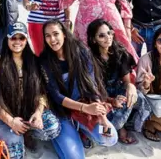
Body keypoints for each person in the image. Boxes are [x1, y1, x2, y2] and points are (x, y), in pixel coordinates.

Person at [40, 19, 118, 159]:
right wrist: (84, 108)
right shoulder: (45, 59)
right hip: (61, 112)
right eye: (48, 35)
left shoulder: (81, 51)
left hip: (83, 107)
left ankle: (81, 128)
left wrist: (102, 116)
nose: (52, 39)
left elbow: (91, 84)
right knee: (74, 157)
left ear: (64, 33)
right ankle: (63, 134)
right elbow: (56, 96)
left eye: (55, 34)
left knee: (109, 137)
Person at [0, 22, 61, 158]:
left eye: (21, 38)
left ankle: (27, 133)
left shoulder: (34, 62)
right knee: (15, 150)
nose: (17, 42)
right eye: (13, 38)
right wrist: (10, 121)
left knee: (52, 128)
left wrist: (38, 112)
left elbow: (42, 92)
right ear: (7, 39)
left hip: (28, 112)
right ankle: (13, 134)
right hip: (2, 115)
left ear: (26, 40)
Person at [86, 19, 151, 144]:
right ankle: (116, 128)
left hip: (117, 91)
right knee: (108, 134)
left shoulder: (119, 52)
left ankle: (125, 126)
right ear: (93, 39)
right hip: (98, 98)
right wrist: (111, 100)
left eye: (109, 33)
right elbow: (92, 90)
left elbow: (126, 81)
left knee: (139, 99)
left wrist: (130, 87)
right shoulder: (89, 58)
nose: (108, 37)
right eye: (101, 35)